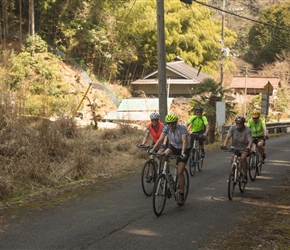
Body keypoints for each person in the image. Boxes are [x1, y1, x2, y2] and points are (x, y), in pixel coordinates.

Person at [149, 113, 191, 205]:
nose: (171, 125)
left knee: (180, 172)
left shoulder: (182, 128)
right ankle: (167, 173)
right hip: (174, 146)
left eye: (172, 123)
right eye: (169, 123)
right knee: (162, 155)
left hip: (184, 148)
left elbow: (184, 141)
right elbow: (160, 139)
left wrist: (183, 153)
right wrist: (152, 150)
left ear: (176, 122)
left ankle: (181, 194)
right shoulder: (167, 128)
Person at [221, 116, 253, 183]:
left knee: (243, 158)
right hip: (235, 146)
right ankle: (232, 174)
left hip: (244, 146)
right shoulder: (233, 127)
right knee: (232, 158)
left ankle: (245, 176)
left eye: (240, 123)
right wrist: (224, 145)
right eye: (237, 123)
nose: (238, 125)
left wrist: (249, 147)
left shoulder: (247, 130)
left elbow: (250, 141)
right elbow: (228, 137)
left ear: (243, 123)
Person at [141, 112, 167, 183]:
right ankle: (150, 175)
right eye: (153, 120)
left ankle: (163, 168)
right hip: (155, 142)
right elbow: (146, 136)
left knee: (159, 154)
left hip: (162, 142)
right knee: (151, 157)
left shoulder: (162, 125)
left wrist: (164, 144)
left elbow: (165, 136)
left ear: (158, 120)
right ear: (151, 120)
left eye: (156, 120)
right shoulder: (149, 126)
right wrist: (143, 144)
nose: (154, 121)